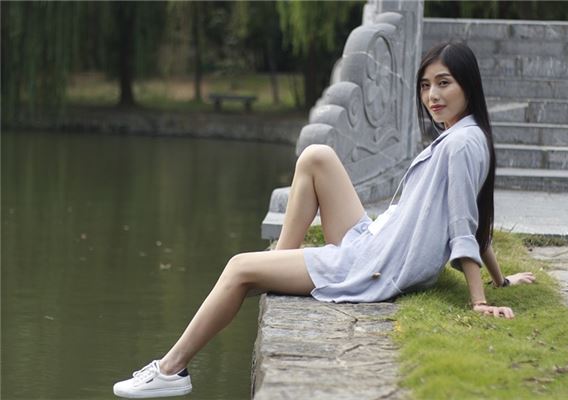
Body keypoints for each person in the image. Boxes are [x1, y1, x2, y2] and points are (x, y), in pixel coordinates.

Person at [113, 41, 536, 399]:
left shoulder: (460, 145)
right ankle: (280, 263)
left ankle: (171, 370)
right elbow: (478, 219)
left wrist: (479, 300)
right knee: (317, 156)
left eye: (444, 83)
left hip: (374, 265)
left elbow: (464, 221)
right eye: (426, 86)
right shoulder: (468, 135)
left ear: (468, 85)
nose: (432, 96)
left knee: (238, 267)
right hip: (374, 240)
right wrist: (501, 280)